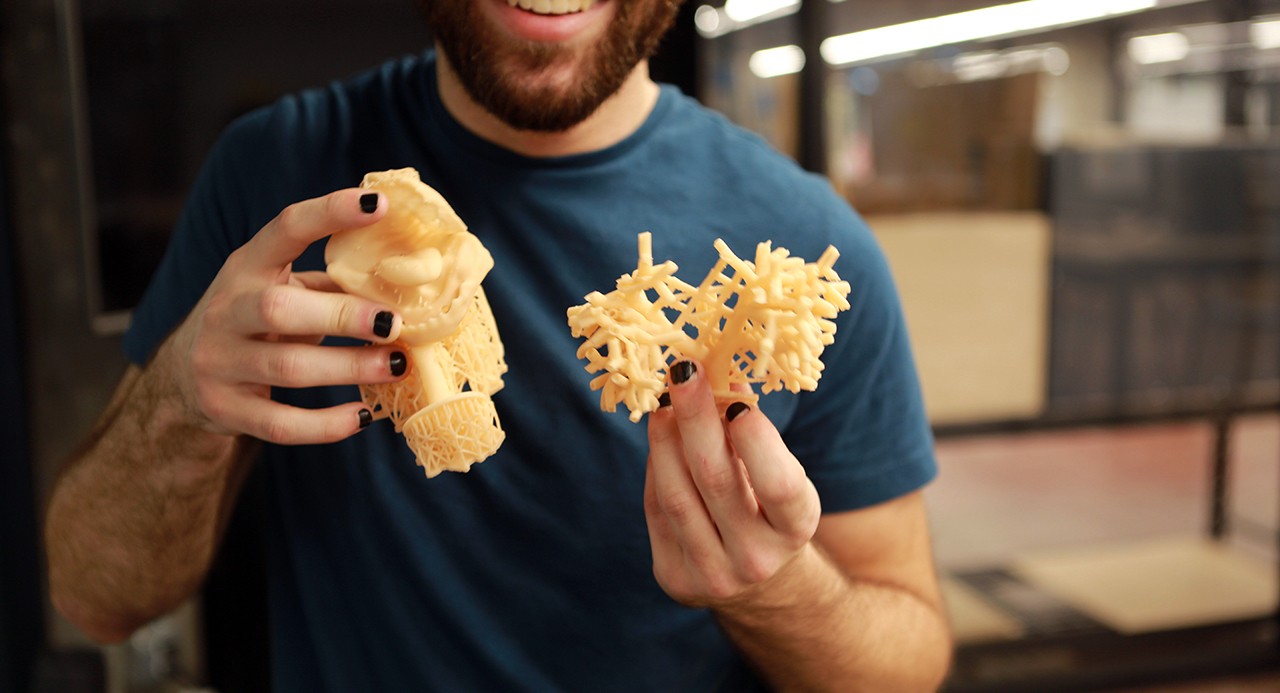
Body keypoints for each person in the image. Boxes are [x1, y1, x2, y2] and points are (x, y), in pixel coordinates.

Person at [44, 0, 953, 688]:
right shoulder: (275, 174)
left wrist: (775, 591)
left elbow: (909, 660)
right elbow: (92, 595)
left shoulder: (808, 247)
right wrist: (178, 403)